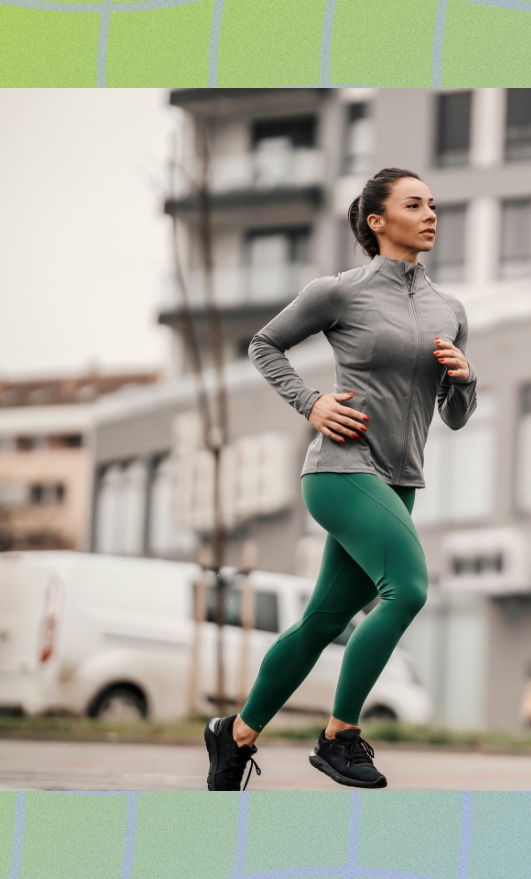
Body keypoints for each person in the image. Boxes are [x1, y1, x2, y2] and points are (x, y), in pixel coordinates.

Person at [204, 167, 478, 791]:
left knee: (322, 622)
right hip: (339, 469)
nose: (431, 214)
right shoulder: (340, 292)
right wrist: (311, 403)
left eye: (433, 204)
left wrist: (464, 380)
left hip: (400, 479)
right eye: (415, 205)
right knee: (406, 590)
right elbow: (264, 345)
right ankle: (339, 736)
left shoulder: (450, 309)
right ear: (378, 222)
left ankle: (235, 735)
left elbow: (455, 419)